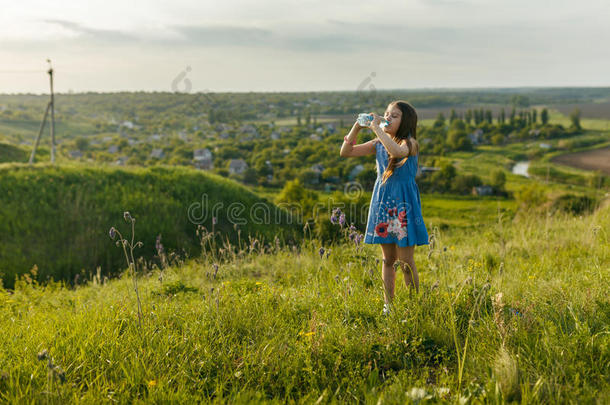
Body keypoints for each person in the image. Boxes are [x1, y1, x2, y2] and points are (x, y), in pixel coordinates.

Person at [339, 100, 429, 315]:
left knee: (406, 261)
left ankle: (415, 307)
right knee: (388, 259)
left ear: (405, 121)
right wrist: (357, 127)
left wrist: (377, 128)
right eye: (386, 113)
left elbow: (397, 152)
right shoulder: (379, 142)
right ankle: (388, 305)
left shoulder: (410, 143)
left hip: (403, 206)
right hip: (383, 203)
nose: (387, 117)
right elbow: (345, 152)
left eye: (394, 115)